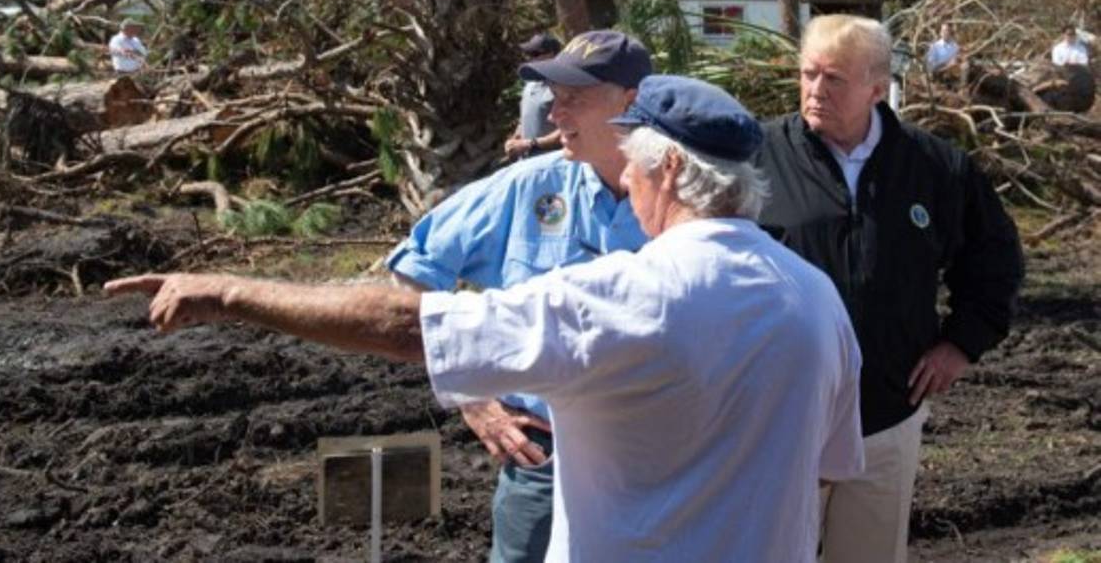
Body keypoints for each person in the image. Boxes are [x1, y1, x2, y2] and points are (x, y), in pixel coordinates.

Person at [105, 74, 865, 563]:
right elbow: (829, 469)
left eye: (632, 158)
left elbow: (411, 324)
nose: (623, 174)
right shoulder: (816, 297)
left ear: (668, 169)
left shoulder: (628, 294)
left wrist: (229, 291)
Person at [756, 14, 1023, 563]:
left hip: (886, 415)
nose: (814, 90)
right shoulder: (760, 158)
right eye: (808, 74)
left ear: (878, 88)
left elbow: (994, 261)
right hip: (781, 420)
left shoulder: (935, 168)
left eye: (834, 78)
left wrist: (962, 342)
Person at [389, 29, 651, 563]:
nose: (555, 115)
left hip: (656, 461)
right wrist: (473, 399)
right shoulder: (525, 187)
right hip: (542, 461)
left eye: (574, 98)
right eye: (554, 99)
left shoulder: (686, 197)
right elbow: (413, 274)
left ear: (632, 102)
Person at [504, 32, 563, 160]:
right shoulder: (530, 83)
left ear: (552, 55)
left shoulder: (563, 85)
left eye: (535, 54)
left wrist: (530, 144)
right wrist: (515, 139)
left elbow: (569, 130)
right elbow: (524, 117)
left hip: (554, 163)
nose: (530, 59)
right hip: (528, 163)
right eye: (528, 55)